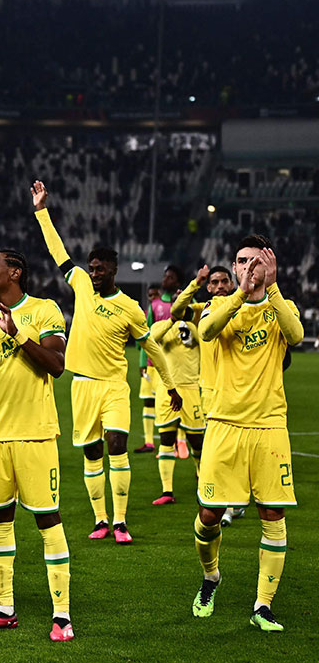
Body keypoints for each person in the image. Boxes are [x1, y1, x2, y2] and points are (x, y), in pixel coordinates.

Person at [31, 180, 181, 544]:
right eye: (92, 267)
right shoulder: (80, 283)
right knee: (93, 452)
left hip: (115, 386)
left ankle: (121, 521)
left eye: (100, 268)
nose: (94, 272)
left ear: (114, 270)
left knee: (117, 445)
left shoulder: (130, 308)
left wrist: (171, 383)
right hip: (82, 383)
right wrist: (41, 212)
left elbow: (154, 348)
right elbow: (57, 250)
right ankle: (100, 520)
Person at [191, 236, 302, 632]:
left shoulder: (280, 307)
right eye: (241, 262)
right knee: (209, 516)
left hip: (270, 425)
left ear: (269, 266)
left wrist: (271, 288)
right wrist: (240, 293)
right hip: (225, 425)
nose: (249, 268)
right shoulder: (219, 305)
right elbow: (206, 332)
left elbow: (297, 336)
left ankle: (263, 606)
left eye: (256, 262)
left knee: (272, 514)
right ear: (234, 268)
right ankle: (211, 577)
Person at [0, 250, 73, 642]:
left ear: (15, 272)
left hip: (36, 433)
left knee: (47, 519)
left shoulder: (44, 310)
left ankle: (62, 616)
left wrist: (16, 333)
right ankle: (3, 609)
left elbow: (56, 364)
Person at [169, 265, 246, 525]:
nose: (221, 285)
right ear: (209, 287)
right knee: (217, 451)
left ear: (233, 284)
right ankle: (227, 502)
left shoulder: (243, 308)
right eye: (215, 282)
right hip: (210, 393)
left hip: (240, 390)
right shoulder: (202, 311)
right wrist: (195, 283)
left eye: (226, 280)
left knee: (237, 449)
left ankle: (235, 500)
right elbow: (176, 311)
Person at [147, 311, 205, 505]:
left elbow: (205, 345)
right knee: (166, 438)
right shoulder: (159, 326)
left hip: (191, 389)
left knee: (197, 440)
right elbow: (152, 338)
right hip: (167, 389)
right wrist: (172, 320)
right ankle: (167, 491)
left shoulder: (195, 328)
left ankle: (201, 480)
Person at [136, 267, 181, 455]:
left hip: (175, 364)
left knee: (175, 404)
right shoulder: (154, 305)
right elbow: (145, 336)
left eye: (171, 276)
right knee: (149, 401)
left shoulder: (183, 302)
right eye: (165, 276)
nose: (166, 279)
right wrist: (142, 361)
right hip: (152, 365)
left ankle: (179, 441)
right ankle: (149, 442)